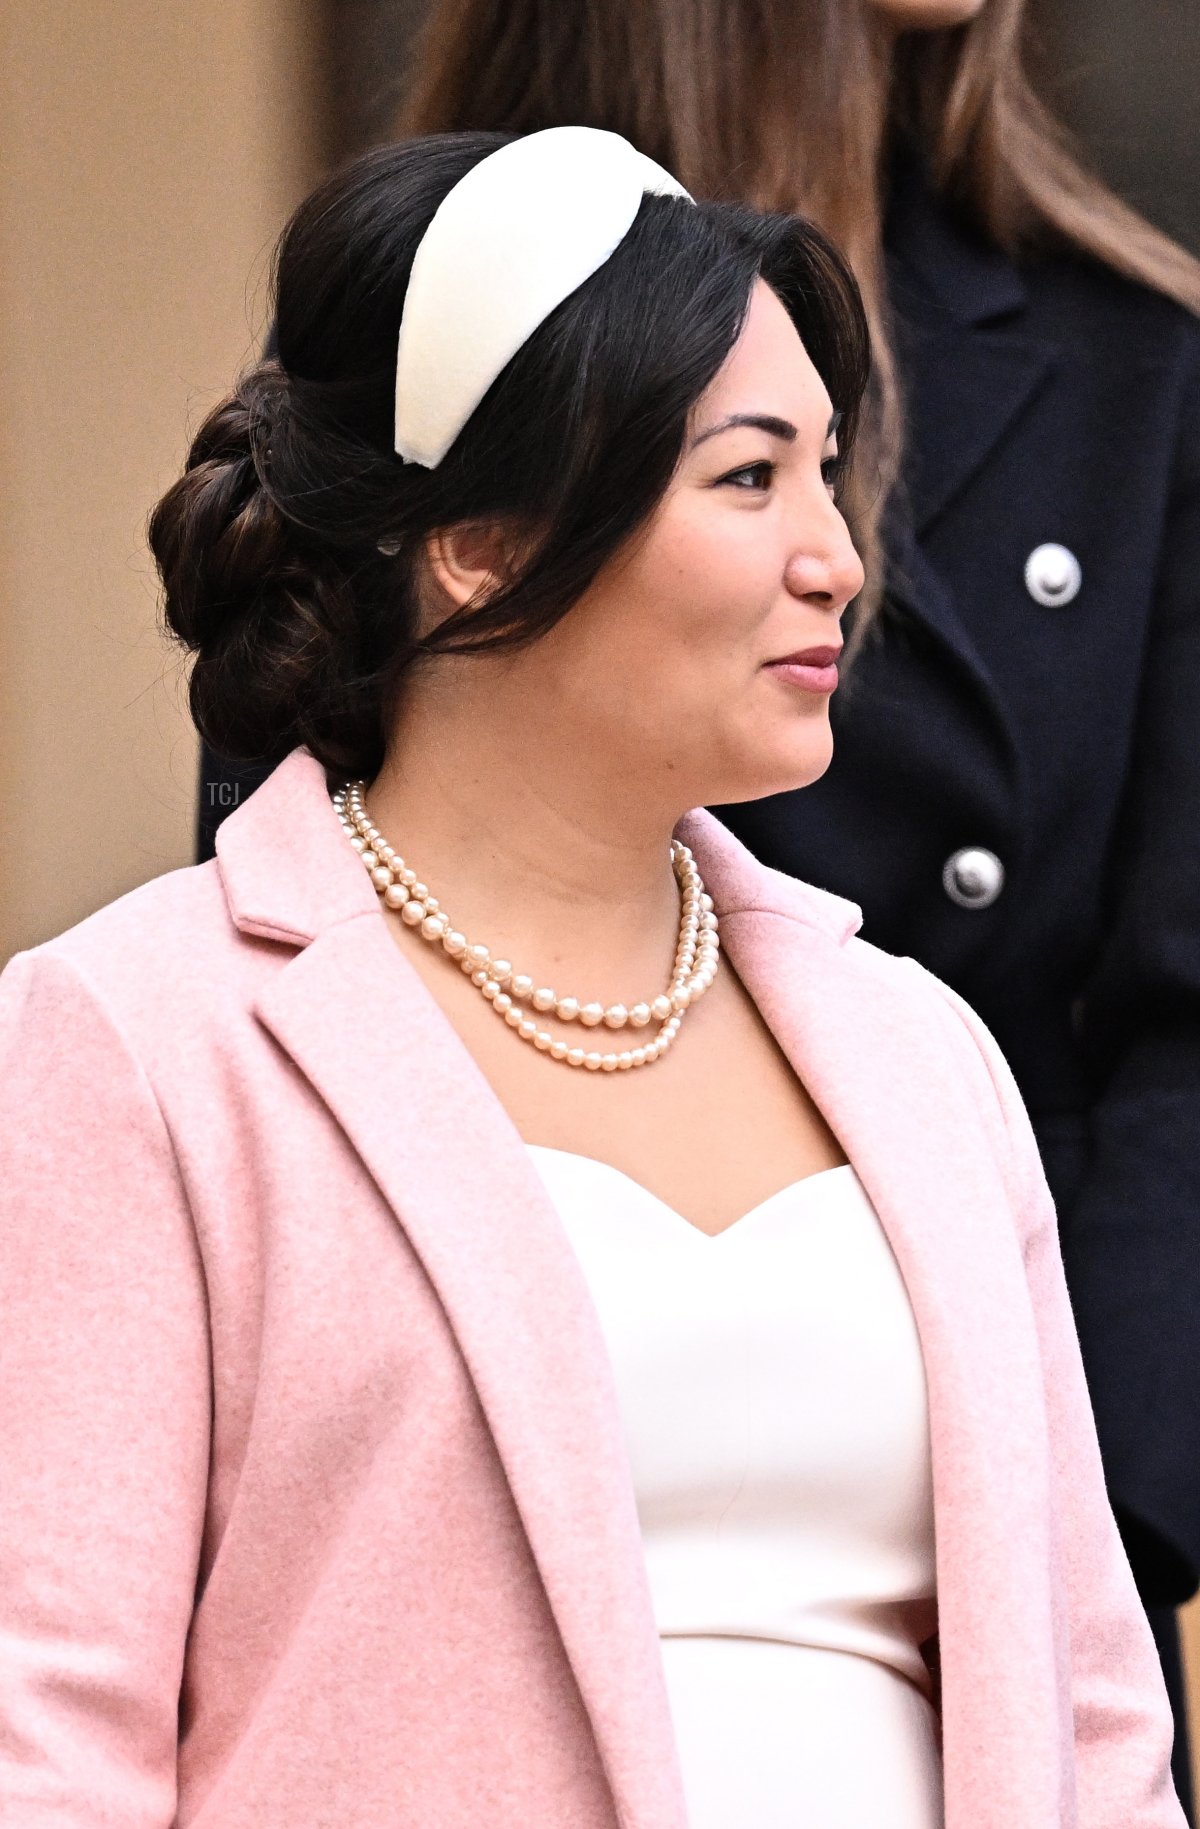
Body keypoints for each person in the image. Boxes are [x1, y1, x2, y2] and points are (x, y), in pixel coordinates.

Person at [0, 125, 1184, 1828]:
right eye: (750, 476)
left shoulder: (924, 1054)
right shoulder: (139, 1043)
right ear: (481, 538)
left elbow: (1096, 1722)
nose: (839, 557)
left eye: (827, 471)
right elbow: (50, 1739)